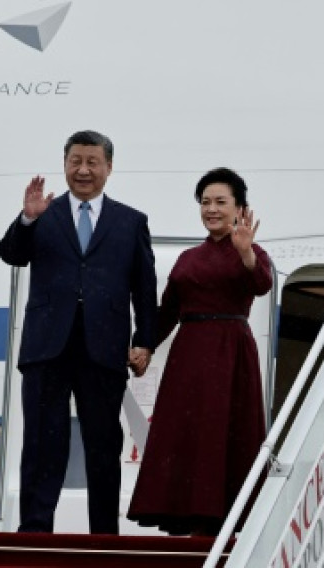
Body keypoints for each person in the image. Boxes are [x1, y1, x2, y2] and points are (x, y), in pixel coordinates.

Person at [0, 129, 157, 535]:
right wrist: (28, 218)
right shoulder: (42, 214)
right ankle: (34, 529)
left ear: (109, 167)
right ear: (65, 164)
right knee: (41, 443)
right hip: (47, 347)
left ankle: (104, 534)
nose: (83, 170)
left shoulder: (130, 221)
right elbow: (11, 254)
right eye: (75, 161)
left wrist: (144, 341)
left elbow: (145, 287)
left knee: (103, 445)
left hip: (103, 348)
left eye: (92, 162)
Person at [127, 167, 274, 536]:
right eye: (205, 202)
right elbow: (167, 312)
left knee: (223, 434)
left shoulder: (252, 251)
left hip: (230, 355)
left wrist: (247, 255)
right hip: (188, 355)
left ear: (239, 207)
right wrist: (142, 346)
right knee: (184, 434)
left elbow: (262, 285)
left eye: (220, 202)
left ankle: (221, 520)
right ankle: (180, 514)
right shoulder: (187, 258)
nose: (211, 209)